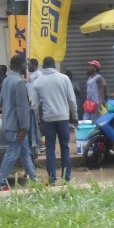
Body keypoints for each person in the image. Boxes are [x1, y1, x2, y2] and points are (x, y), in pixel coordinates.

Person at [29, 56, 77, 185]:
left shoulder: (38, 82)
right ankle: (66, 178)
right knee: (65, 147)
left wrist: (38, 120)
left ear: (43, 67)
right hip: (63, 118)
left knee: (50, 148)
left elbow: (34, 105)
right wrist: (75, 116)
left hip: (48, 119)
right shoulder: (64, 78)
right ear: (54, 66)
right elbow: (72, 100)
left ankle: (52, 178)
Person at [0, 54, 39, 192]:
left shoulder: (7, 80)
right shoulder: (19, 83)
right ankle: (1, 184)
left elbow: (1, 101)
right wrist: (24, 128)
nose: (26, 66)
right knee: (12, 153)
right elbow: (21, 108)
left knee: (25, 152)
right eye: (25, 64)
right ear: (20, 65)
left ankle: (34, 179)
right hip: (17, 127)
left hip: (8, 123)